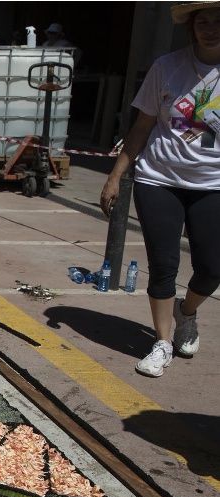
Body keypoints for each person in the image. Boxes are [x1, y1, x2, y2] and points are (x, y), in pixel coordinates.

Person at [100, 3, 220, 378]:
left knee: (213, 267)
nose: (210, 29)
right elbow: (142, 126)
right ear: (191, 27)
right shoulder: (167, 67)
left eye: (218, 22)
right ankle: (162, 342)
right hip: (158, 179)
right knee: (163, 265)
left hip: (213, 184)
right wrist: (116, 175)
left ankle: (186, 312)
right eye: (203, 22)